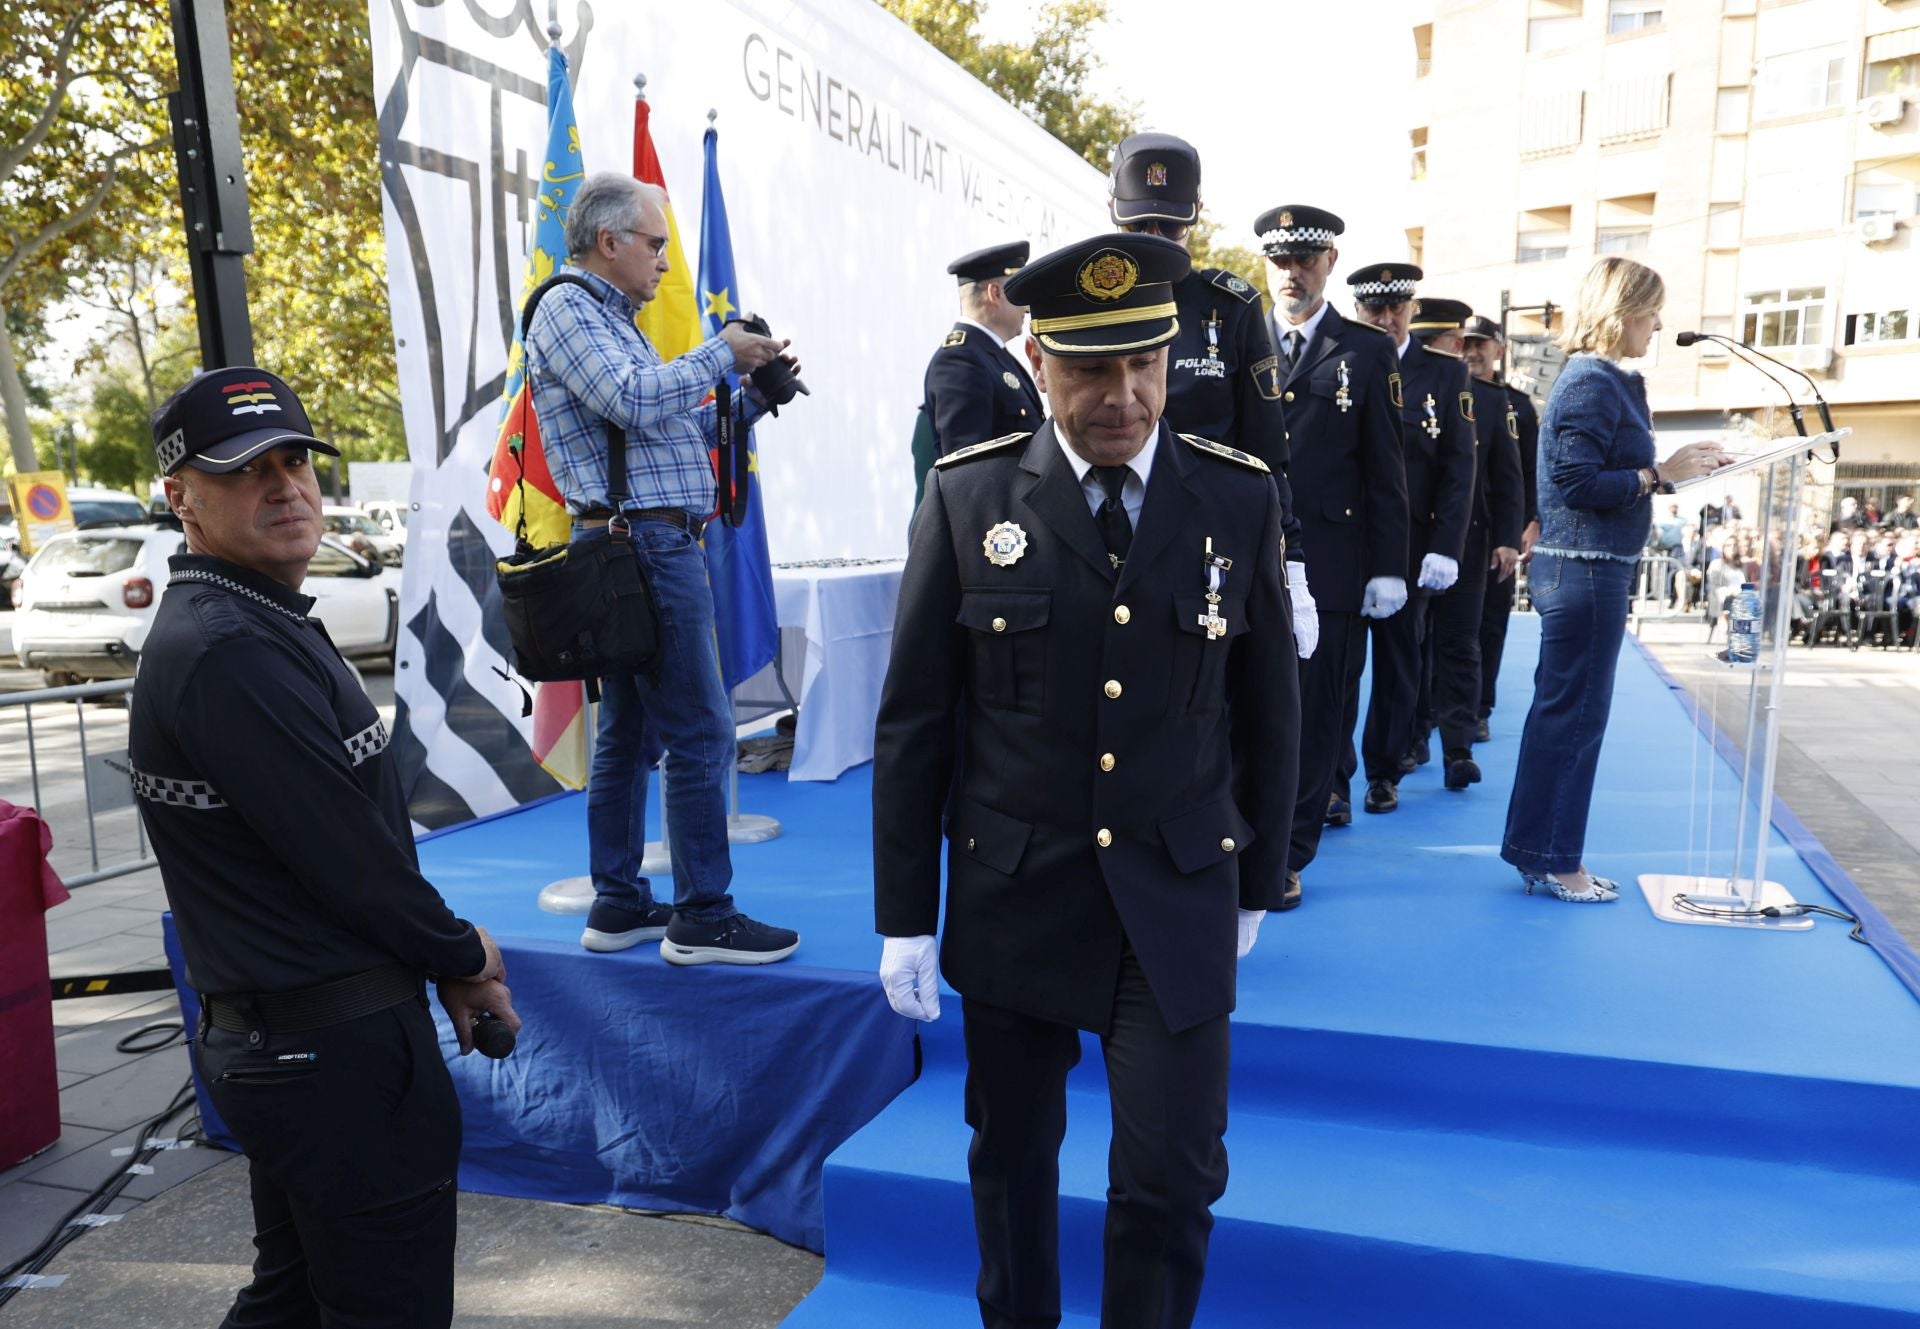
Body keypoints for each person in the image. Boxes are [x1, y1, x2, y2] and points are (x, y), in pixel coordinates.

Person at [871, 232, 1299, 1329]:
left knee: (1174, 1175)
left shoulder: (1235, 498)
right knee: (1011, 1167)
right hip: (1020, 892)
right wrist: (904, 918)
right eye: (1092, 371)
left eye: (1144, 366)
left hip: (1178, 886)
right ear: (1041, 366)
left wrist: (1261, 878)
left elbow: (1270, 708)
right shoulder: (970, 500)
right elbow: (919, 719)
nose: (1124, 398)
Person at [129, 367, 521, 1327]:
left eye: (295, 459)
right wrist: (465, 954)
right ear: (182, 497)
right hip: (327, 1051)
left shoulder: (251, 619)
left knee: (295, 1298)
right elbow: (353, 862)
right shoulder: (231, 648)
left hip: (300, 1043)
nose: (285, 485)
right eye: (245, 469)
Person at [524, 173, 801, 963]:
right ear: (608, 242)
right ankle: (704, 913)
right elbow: (632, 399)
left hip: (640, 544)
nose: (664, 262)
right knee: (704, 730)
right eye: (654, 243)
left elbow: (667, 427)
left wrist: (751, 396)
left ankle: (619, 904)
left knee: (630, 734)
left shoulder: (612, 317)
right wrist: (721, 353)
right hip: (640, 547)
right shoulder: (567, 307)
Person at [1501, 257, 1729, 902]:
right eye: (1652, 311)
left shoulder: (1610, 381)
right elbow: (1576, 484)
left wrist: (1676, 468)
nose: (1659, 325)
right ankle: (1556, 860)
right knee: (1573, 718)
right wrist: (1659, 475)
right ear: (1623, 312)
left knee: (1565, 714)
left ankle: (1539, 852)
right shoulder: (1591, 381)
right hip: (1584, 572)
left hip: (1592, 570)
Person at [1106, 131, 1316, 661]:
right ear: (1111, 210)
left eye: (1170, 224)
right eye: (1139, 224)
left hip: (1207, 541)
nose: (1155, 237)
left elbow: (1267, 452)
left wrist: (1290, 559)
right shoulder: (1085, 304)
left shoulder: (1230, 306)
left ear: (1197, 213)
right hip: (1106, 536)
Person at [1256, 203, 1410, 900]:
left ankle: (1289, 852)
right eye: (1280, 260)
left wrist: (1387, 565)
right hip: (1249, 556)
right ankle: (1241, 840)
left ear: (1329, 265)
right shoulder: (1240, 338)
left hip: (1332, 564)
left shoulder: (1367, 351)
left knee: (1317, 715)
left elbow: (1386, 467)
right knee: (1243, 707)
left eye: (1305, 260)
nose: (1291, 272)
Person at [1337, 262, 1475, 816]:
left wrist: (1447, 545)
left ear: (1412, 311)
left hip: (1412, 547)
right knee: (1337, 667)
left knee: (1399, 664)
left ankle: (1383, 772)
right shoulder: (1338, 360)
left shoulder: (1444, 376)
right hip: (1345, 540)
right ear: (1359, 312)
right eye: (1376, 309)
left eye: (1398, 308)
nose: (1388, 319)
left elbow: (1458, 469)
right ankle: (1330, 777)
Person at [1410, 299, 1523, 791]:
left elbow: (1508, 477)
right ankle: (1410, 736)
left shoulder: (1491, 400)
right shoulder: (1399, 391)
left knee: (1459, 644)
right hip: (1411, 539)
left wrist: (1506, 540)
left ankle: (1458, 747)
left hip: (1468, 543)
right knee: (1410, 647)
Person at [914, 240, 1043, 510]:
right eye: (1018, 295)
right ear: (995, 293)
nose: (1027, 307)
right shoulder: (960, 361)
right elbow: (967, 475)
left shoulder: (993, 356)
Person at [1463, 315, 1540, 740]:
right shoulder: (1441, 393)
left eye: (1482, 344)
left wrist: (1530, 523)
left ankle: (1478, 707)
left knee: (1490, 621)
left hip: (1498, 528)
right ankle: (1443, 703)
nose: (1473, 352)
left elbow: (1529, 472)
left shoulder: (1516, 405)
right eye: (1466, 343)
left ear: (1499, 350)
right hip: (1453, 527)